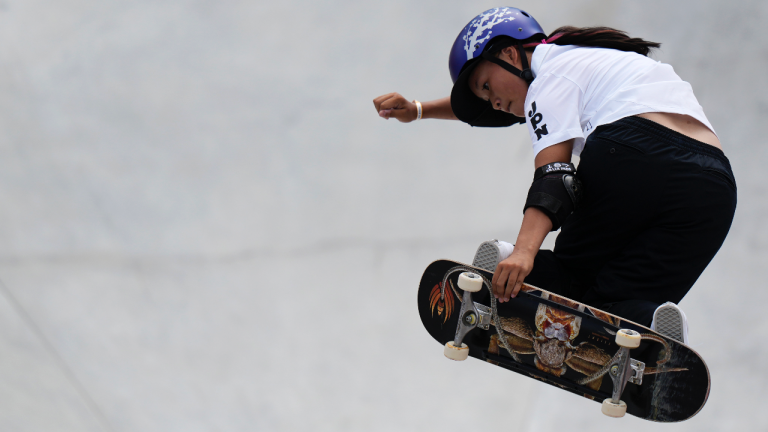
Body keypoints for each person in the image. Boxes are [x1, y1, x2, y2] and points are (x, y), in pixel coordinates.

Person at [372, 7, 737, 343]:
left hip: (633, 156)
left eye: (487, 87)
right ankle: (655, 325)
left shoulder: (549, 79)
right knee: (616, 305)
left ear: (510, 54)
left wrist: (524, 252)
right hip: (712, 189)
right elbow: (485, 103)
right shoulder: (594, 61)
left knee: (571, 276)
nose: (494, 103)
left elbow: (556, 177)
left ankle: (503, 264)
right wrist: (419, 109)